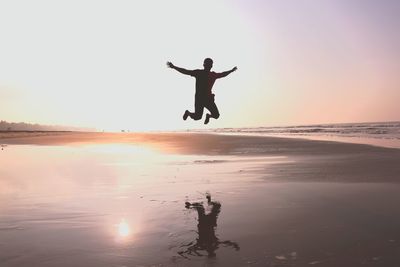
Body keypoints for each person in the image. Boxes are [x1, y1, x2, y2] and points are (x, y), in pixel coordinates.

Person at [167, 58, 237, 124]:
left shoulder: (213, 75)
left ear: (211, 66)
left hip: (208, 99)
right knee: (197, 117)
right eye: (207, 64)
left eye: (209, 64)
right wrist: (174, 67)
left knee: (216, 115)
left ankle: (208, 116)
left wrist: (231, 70)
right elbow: (186, 71)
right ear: (204, 65)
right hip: (199, 99)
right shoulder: (199, 73)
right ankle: (188, 113)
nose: (208, 66)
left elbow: (223, 74)